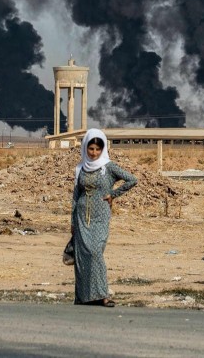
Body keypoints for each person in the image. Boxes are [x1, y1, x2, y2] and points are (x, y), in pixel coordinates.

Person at [71, 128, 137, 307]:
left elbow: (132, 180)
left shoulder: (109, 167)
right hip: (81, 218)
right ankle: (84, 297)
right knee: (82, 256)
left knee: (95, 252)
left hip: (100, 216)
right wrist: (72, 222)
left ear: (103, 149)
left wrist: (113, 194)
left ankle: (102, 295)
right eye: (90, 149)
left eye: (97, 149)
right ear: (85, 148)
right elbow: (76, 196)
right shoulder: (80, 168)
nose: (94, 153)